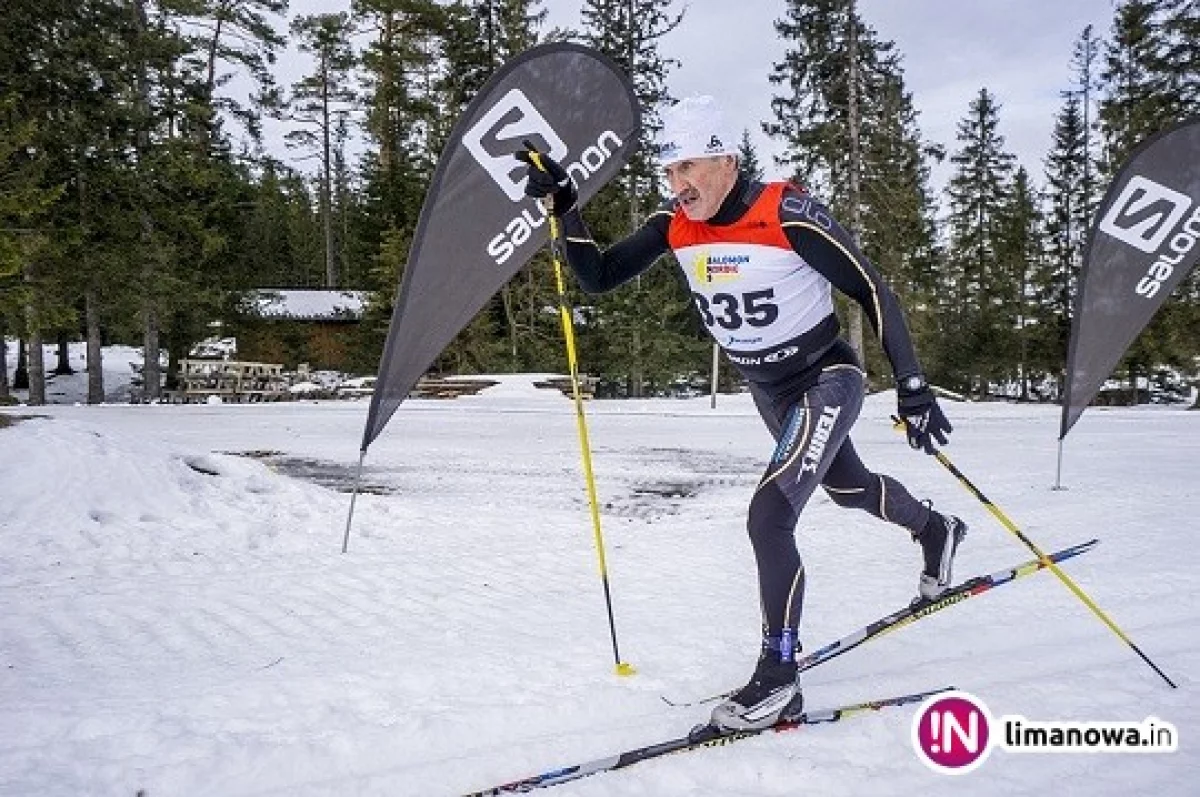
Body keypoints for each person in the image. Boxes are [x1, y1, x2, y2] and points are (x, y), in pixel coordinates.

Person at [515, 95, 966, 732]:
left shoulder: (784, 212)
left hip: (825, 377)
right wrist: (566, 202)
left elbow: (872, 288)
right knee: (849, 488)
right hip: (770, 389)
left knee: (770, 515)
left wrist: (914, 385)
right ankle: (936, 531)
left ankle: (779, 676)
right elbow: (598, 276)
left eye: (690, 167)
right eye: (670, 171)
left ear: (726, 159)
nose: (679, 184)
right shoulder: (674, 222)